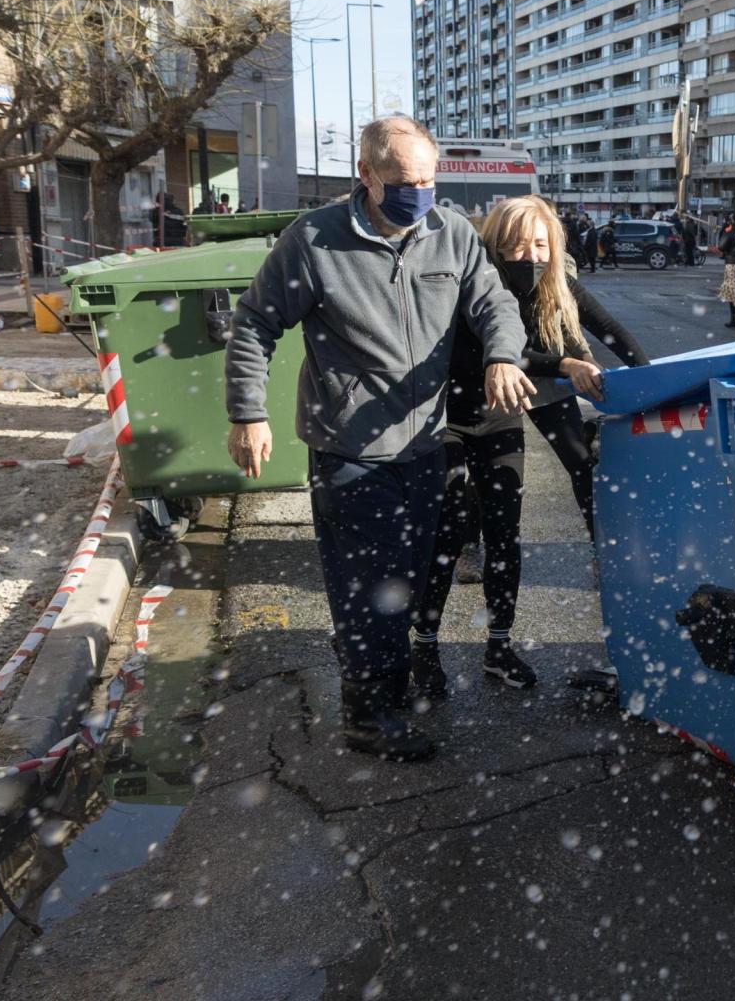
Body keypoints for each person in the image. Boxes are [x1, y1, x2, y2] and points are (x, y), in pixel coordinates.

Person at [224, 115, 534, 761]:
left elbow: (494, 304)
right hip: (350, 451)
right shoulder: (314, 242)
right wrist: (248, 414)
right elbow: (255, 323)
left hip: (424, 443)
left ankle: (373, 669)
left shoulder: (450, 235)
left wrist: (503, 354)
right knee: (371, 584)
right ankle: (368, 716)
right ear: (365, 175)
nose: (418, 193)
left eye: (427, 180)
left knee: (410, 579)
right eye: (402, 181)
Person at [409, 195, 648, 699]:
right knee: (448, 533)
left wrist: (654, 378)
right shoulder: (476, 280)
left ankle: (499, 645)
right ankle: (424, 647)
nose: (529, 255)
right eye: (516, 245)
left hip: (503, 418)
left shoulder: (557, 280)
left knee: (503, 533)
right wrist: (564, 364)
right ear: (495, 244)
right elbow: (501, 352)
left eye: (539, 244)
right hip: (450, 418)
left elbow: (610, 329)